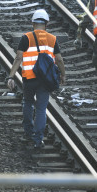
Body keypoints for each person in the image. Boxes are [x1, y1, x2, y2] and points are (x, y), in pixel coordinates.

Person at [7, 9, 66, 149]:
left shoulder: (26, 38)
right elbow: (59, 59)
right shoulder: (52, 39)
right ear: (47, 24)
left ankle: (28, 133)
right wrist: (63, 74)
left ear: (33, 23)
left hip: (29, 78)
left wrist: (11, 76)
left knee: (27, 103)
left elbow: (18, 58)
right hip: (45, 80)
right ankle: (38, 139)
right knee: (41, 109)